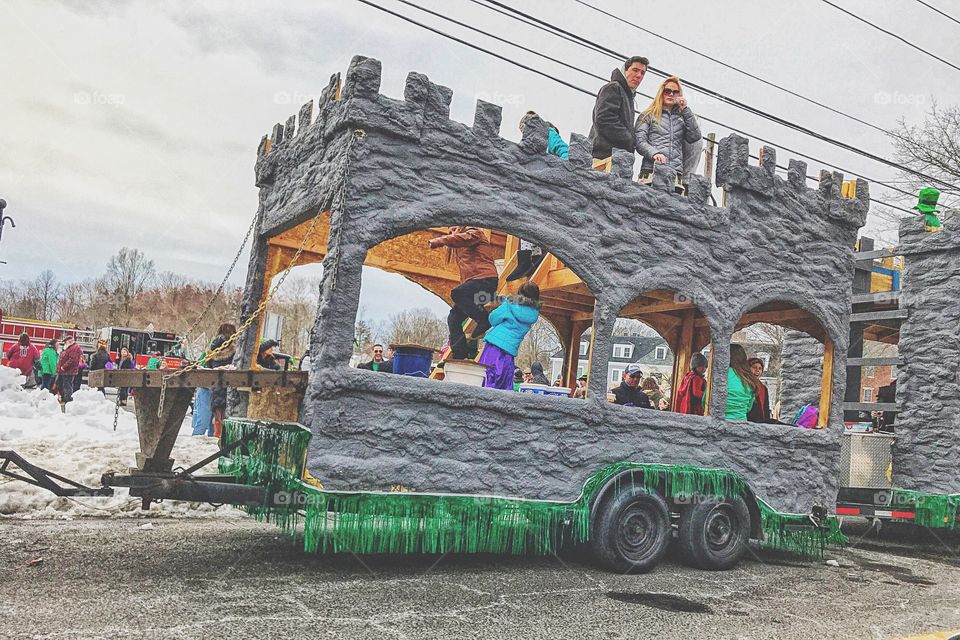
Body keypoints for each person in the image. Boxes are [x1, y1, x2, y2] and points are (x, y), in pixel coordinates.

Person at [506, 113, 570, 282]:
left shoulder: (549, 134)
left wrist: (557, 171)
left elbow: (565, 152)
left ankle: (527, 259)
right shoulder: (533, 141)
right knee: (531, 222)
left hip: (548, 186)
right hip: (538, 186)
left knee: (530, 220)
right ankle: (530, 259)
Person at [428, 227, 499, 359]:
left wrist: (441, 240)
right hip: (473, 285)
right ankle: (460, 354)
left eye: (453, 230)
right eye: (449, 232)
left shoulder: (475, 232)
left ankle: (483, 318)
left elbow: (463, 238)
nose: (451, 233)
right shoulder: (458, 248)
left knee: (457, 293)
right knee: (453, 318)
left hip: (486, 280)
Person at [588, 55, 649, 172]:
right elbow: (604, 119)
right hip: (603, 158)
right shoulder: (614, 88)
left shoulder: (627, 96)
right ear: (625, 70)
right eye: (635, 70)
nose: (639, 76)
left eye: (642, 73)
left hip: (614, 160)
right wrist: (629, 138)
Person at [635, 76, 702, 179]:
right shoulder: (648, 115)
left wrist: (685, 110)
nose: (671, 94)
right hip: (651, 170)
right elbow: (639, 141)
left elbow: (695, 137)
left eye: (675, 92)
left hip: (675, 174)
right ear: (661, 93)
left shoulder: (682, 118)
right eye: (667, 91)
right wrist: (654, 153)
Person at [477, 282, 541, 390]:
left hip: (494, 345)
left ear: (520, 293)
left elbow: (492, 319)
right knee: (503, 381)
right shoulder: (533, 314)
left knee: (484, 375)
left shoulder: (510, 304)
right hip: (510, 350)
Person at [204, 323, 237, 439]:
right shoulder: (234, 348)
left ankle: (216, 434)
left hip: (216, 384)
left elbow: (208, 364)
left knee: (217, 412)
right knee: (227, 413)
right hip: (231, 384)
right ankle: (222, 436)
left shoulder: (213, 347)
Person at [725, 344, 762, 421]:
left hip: (720, 422)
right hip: (741, 423)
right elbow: (748, 407)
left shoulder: (721, 375)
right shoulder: (749, 379)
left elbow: (705, 401)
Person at [56, 334, 83, 409]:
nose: (64, 343)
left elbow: (72, 360)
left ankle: (67, 400)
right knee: (61, 384)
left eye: (65, 342)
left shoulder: (74, 348)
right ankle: (65, 398)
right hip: (64, 371)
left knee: (67, 386)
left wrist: (64, 367)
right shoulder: (70, 348)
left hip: (68, 371)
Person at [746, 357, 773, 423]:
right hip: (746, 421)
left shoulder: (763, 388)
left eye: (760, 368)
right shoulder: (744, 385)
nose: (757, 370)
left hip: (760, 422)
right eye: (754, 367)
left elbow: (766, 408)